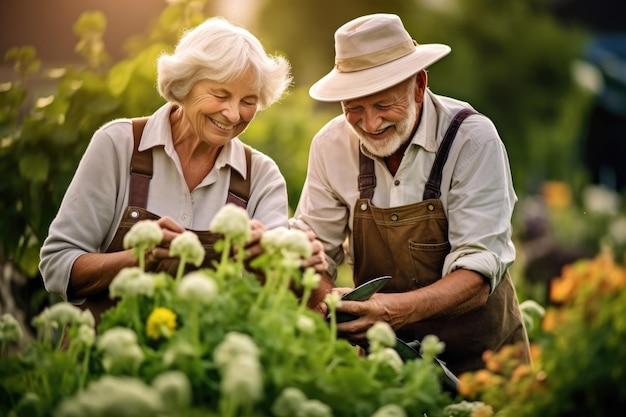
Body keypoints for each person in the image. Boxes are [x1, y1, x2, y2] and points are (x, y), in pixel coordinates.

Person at [39, 17, 325, 322]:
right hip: (103, 360)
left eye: (248, 101)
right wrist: (140, 257)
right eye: (220, 95)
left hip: (203, 362)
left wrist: (279, 258)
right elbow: (58, 265)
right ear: (184, 84)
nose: (232, 114)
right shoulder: (119, 145)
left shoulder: (261, 177)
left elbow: (281, 291)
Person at [290, 13, 530, 376]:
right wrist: (326, 300)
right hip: (386, 366)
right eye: (354, 107)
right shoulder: (330, 145)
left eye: (384, 105)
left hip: (483, 363)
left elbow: (478, 273)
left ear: (418, 85)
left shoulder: (471, 140)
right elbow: (313, 253)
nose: (370, 124)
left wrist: (390, 311)